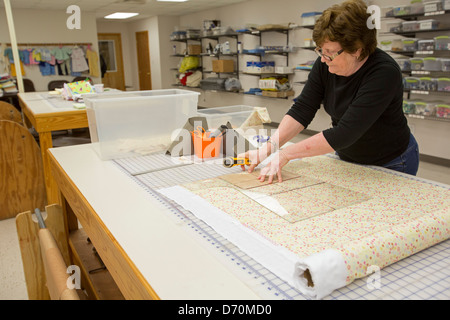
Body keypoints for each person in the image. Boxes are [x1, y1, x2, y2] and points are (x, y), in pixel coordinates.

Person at [239, 0, 419, 183]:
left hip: (391, 161)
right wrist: (265, 150)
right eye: (321, 51)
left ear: (357, 50)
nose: (323, 59)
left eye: (329, 53)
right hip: (348, 156)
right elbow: (303, 108)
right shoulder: (325, 64)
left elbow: (345, 133)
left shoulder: (384, 72)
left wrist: (286, 154)